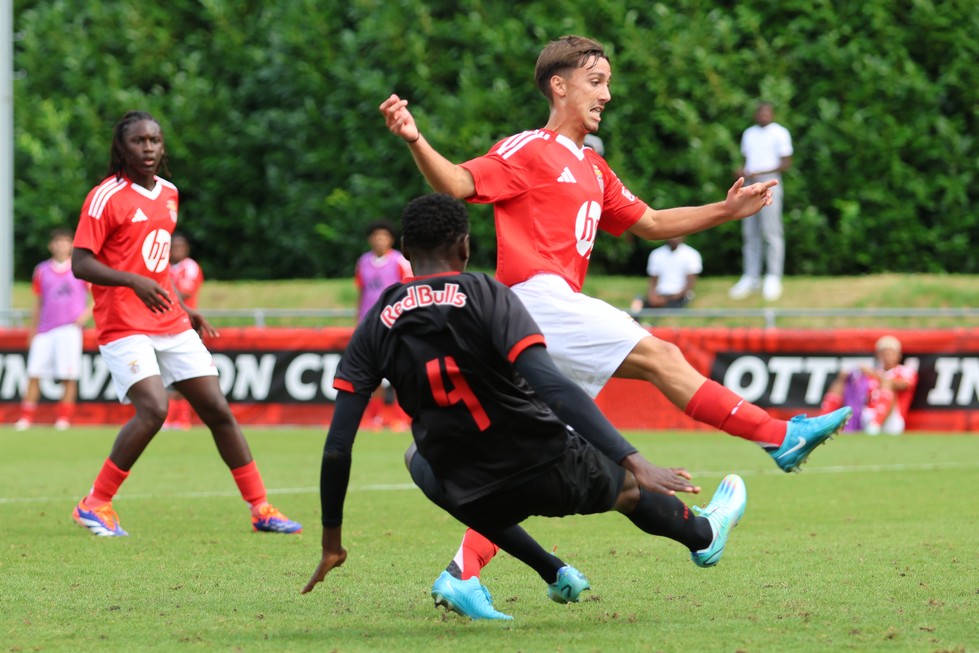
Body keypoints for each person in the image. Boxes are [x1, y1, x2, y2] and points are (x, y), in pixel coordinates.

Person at [379, 35, 850, 593]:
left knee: (535, 456)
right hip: (535, 301)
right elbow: (458, 183)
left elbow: (650, 222)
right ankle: (777, 436)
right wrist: (416, 139)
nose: (607, 94)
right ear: (559, 86)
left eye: (607, 82)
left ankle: (463, 573)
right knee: (661, 355)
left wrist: (726, 210)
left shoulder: (593, 168)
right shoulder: (529, 148)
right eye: (595, 81)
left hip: (545, 320)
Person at [301, 193, 749, 620]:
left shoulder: (378, 318)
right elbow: (552, 385)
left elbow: (338, 446)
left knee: (417, 459)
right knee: (629, 490)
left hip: (471, 486)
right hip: (547, 468)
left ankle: (548, 570)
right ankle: (702, 535)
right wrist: (633, 459)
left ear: (404, 249)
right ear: (465, 246)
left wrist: (332, 542)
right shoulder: (487, 294)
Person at [68, 110, 301, 537]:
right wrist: (131, 281)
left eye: (155, 140)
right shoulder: (105, 196)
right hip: (124, 321)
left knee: (217, 409)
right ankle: (94, 503)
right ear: (121, 148)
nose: (149, 148)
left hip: (168, 317)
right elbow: (81, 263)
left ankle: (261, 508)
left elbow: (154, 266)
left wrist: (181, 304)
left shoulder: (170, 193)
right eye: (138, 141)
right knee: (155, 409)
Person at [15, 228, 92, 431]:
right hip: (45, 329)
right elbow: (38, 301)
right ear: (51, 245)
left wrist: (86, 315)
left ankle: (63, 419)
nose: (61, 245)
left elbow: (97, 296)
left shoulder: (80, 268)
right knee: (34, 373)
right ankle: (26, 417)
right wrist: (32, 331)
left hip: (69, 330)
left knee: (68, 374)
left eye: (66, 241)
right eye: (58, 241)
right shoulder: (41, 270)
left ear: (72, 245)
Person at [728, 102, 793, 302]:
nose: (764, 115)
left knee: (771, 231)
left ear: (772, 114)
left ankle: (773, 276)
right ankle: (751, 276)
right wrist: (743, 172)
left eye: (767, 112)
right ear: (756, 114)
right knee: (750, 231)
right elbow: (748, 160)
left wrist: (760, 173)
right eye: (760, 112)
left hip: (769, 183)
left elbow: (785, 163)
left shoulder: (780, 133)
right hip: (749, 185)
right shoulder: (749, 133)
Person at [355, 220, 413, 431]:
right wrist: (358, 321)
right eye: (376, 236)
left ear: (390, 239)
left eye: (384, 236)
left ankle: (400, 417)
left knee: (399, 371)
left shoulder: (400, 261)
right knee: (373, 374)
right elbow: (361, 292)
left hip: (395, 323)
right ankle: (375, 417)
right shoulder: (362, 262)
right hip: (369, 325)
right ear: (370, 239)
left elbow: (409, 290)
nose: (379, 240)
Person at [821, 335, 918, 435]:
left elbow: (900, 385)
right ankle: (823, 424)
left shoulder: (905, 371)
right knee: (840, 384)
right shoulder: (871, 373)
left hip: (892, 419)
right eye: (884, 353)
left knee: (886, 386)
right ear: (878, 355)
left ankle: (874, 426)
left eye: (891, 353)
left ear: (899, 355)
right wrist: (844, 377)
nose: (888, 356)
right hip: (867, 414)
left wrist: (873, 374)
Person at [162, 231, 202, 430]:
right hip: (164, 325)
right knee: (166, 375)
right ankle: (169, 417)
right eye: (173, 247)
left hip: (185, 326)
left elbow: (185, 293)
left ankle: (183, 417)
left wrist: (163, 288)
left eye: (180, 247)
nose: (176, 251)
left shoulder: (190, 267)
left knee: (185, 374)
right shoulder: (164, 267)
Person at [630, 236, 702, 313]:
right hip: (660, 294)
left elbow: (689, 285)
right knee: (638, 303)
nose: (673, 239)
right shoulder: (656, 254)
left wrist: (667, 299)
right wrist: (652, 296)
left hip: (680, 297)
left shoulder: (691, 254)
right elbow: (653, 280)